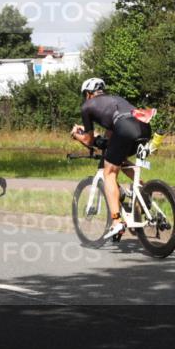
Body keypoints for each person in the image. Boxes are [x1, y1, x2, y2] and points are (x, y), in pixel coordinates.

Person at [70, 78, 154, 241]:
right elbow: (110, 139)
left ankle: (116, 221)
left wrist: (76, 134)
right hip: (144, 127)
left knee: (109, 173)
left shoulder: (87, 106)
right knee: (117, 159)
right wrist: (101, 141)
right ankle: (144, 189)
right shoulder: (116, 100)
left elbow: (88, 140)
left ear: (88, 94)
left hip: (124, 128)